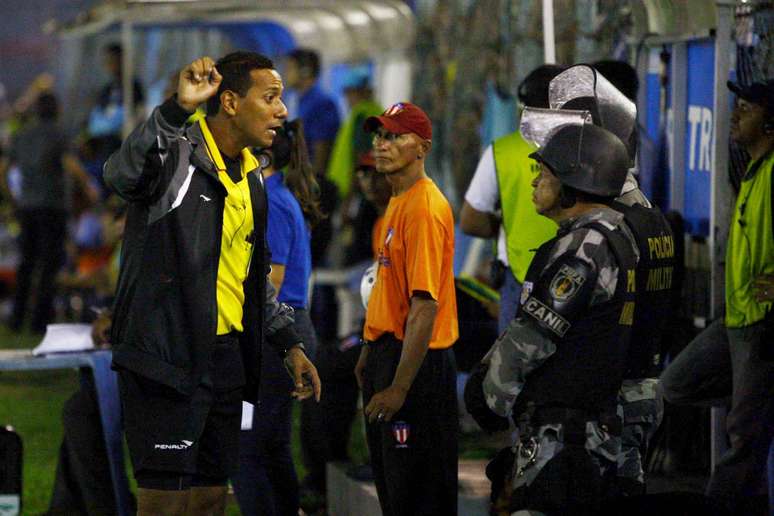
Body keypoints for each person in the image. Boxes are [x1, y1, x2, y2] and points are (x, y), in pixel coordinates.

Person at [103, 52, 321, 516]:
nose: (282, 110)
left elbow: (252, 275)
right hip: (167, 359)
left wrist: (289, 343)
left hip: (226, 362)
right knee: (164, 505)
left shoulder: (252, 179)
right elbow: (120, 174)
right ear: (230, 101)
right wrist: (174, 109)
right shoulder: (176, 155)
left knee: (208, 500)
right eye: (271, 97)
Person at [465, 123, 638, 515]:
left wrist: (487, 397)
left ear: (574, 183)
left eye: (544, 174)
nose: (535, 183)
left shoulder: (583, 247)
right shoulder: (615, 233)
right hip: (589, 432)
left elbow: (535, 334)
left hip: (564, 440)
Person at [660, 79, 774, 512]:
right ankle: (758, 403)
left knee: (743, 441)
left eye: (747, 108)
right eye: (736, 105)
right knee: (675, 385)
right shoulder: (753, 169)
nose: (735, 115)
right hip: (736, 320)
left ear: (771, 124)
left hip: (763, 323)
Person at [356, 102, 459, 516]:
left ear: (423, 147)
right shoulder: (398, 203)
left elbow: (423, 307)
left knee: (417, 495)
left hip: (417, 367)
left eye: (395, 136)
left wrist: (399, 386)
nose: (383, 145)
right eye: (380, 135)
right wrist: (368, 348)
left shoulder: (424, 209)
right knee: (395, 491)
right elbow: (390, 292)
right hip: (390, 357)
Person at [232, 118, 322, 516]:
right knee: (273, 443)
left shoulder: (270, 199)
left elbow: (273, 275)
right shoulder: (280, 194)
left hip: (278, 333)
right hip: (290, 326)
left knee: (247, 447)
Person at [460, 64, 565, 333]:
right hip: (577, 271)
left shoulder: (502, 153)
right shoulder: (584, 147)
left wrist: (500, 226)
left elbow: (470, 220)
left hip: (519, 277)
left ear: (522, 107)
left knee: (513, 367)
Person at [0, 92, 97, 333]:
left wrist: (13, 200)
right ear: (56, 110)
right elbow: (70, 164)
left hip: (27, 207)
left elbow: (3, 170)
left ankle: (17, 318)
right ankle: (40, 321)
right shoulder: (59, 134)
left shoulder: (21, 136)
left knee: (26, 263)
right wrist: (88, 186)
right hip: (52, 207)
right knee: (49, 264)